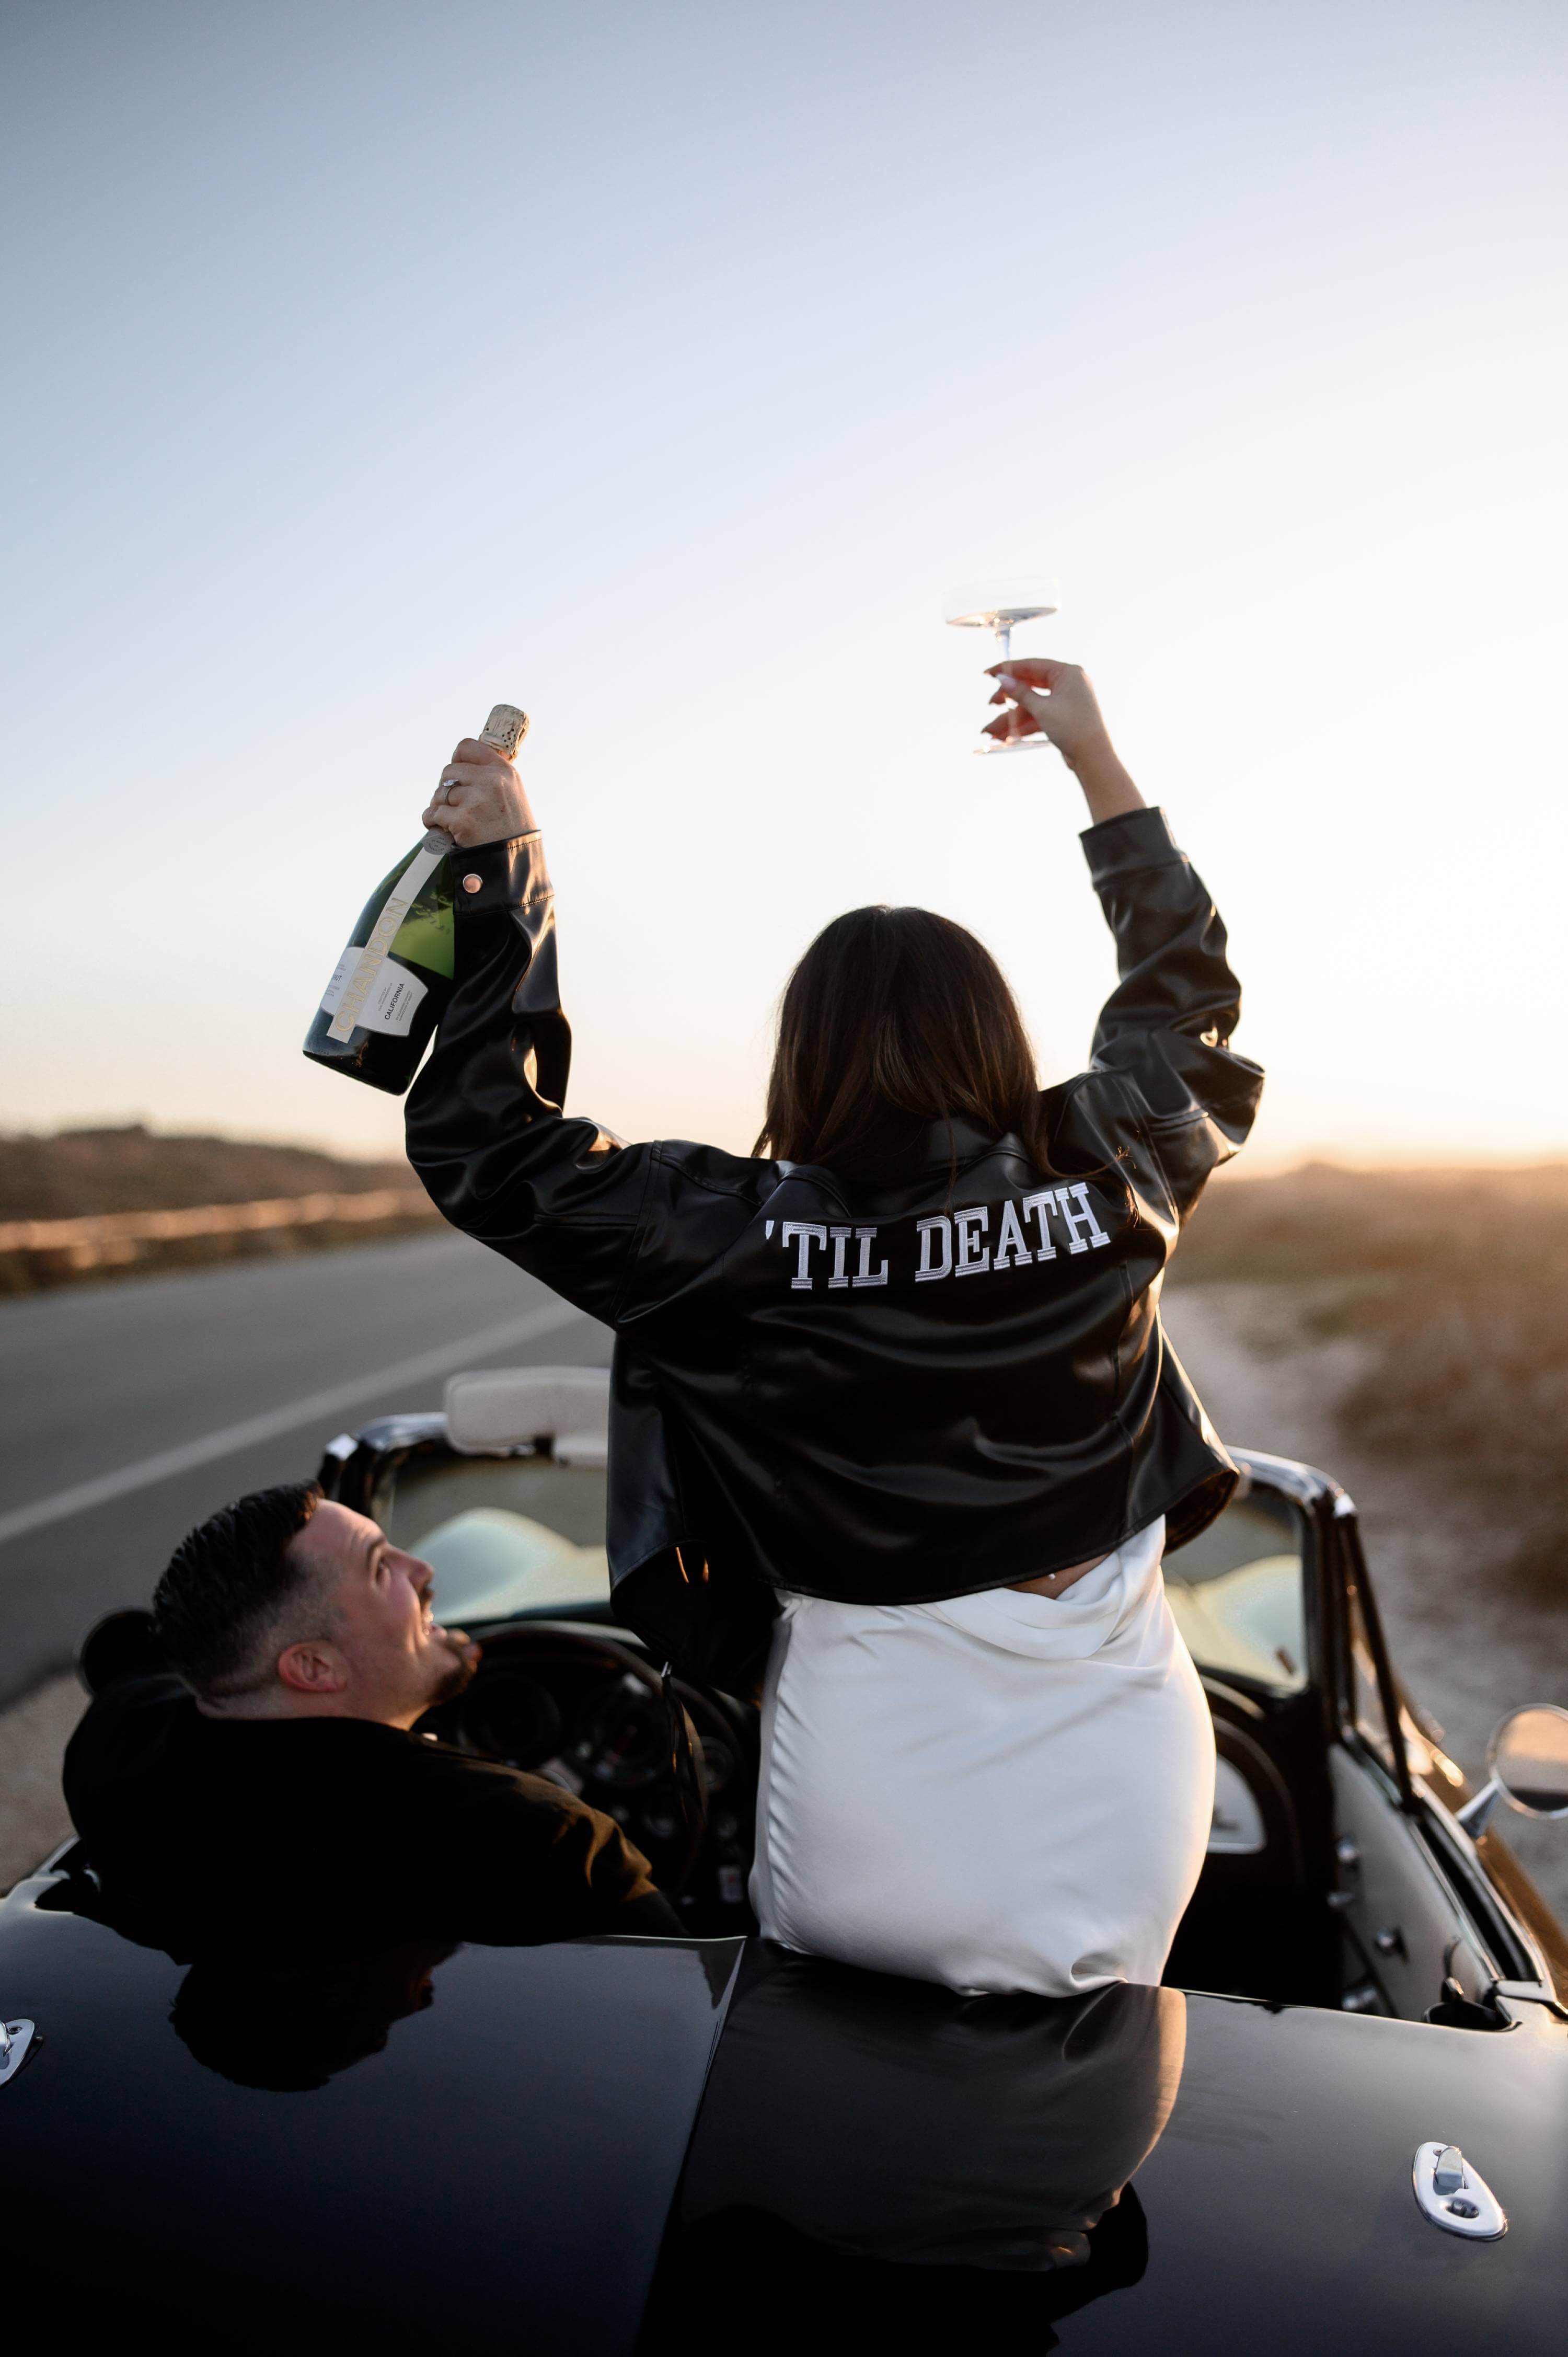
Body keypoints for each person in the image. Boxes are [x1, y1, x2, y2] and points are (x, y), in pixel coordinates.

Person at [404, 656, 1263, 1995]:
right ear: (992, 1035)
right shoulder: (1106, 1165)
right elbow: (1186, 998)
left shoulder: (731, 1234)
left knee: (838, 2096)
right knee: (1088, 2064)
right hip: (1127, 1759)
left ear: (800, 1056)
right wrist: (1097, 765)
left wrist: (505, 871)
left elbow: (487, 1148)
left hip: (874, 1764)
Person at [63, 1480, 678, 1949]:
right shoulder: (536, 1836)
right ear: (314, 1668)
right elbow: (688, 1985)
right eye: (382, 1568)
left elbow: (133, 1663)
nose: (424, 1570)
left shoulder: (114, 1741)